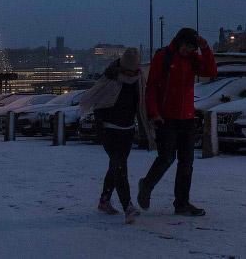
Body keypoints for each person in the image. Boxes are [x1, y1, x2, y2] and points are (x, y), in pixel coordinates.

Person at [138, 27, 217, 217]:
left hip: (187, 118)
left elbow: (211, 71)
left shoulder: (192, 59)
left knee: (186, 162)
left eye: (191, 47)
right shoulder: (163, 56)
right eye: (185, 46)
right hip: (166, 118)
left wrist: (206, 49)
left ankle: (181, 203)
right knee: (167, 157)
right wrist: (154, 113)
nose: (187, 50)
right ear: (178, 42)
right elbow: (152, 88)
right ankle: (147, 185)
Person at [78, 47, 154, 224]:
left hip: (127, 128)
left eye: (132, 70)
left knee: (116, 164)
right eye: (127, 70)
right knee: (120, 166)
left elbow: (141, 101)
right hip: (108, 128)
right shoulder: (110, 77)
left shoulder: (138, 79)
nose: (129, 73)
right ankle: (127, 206)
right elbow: (92, 96)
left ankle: (104, 200)